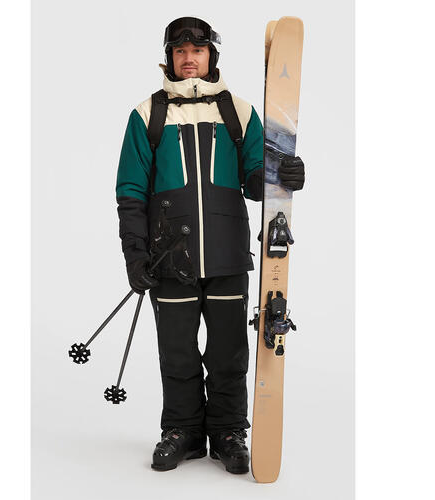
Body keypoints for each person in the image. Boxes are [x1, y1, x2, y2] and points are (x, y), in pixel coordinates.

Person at [115, 17, 305, 474]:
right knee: (176, 352)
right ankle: (182, 430)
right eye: (180, 51)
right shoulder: (147, 114)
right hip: (168, 258)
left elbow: (257, 180)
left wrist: (282, 176)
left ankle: (227, 431)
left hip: (226, 254)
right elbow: (131, 192)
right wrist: (135, 255)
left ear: (210, 56)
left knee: (228, 352)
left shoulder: (238, 112)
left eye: (197, 51)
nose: (189, 59)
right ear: (169, 57)